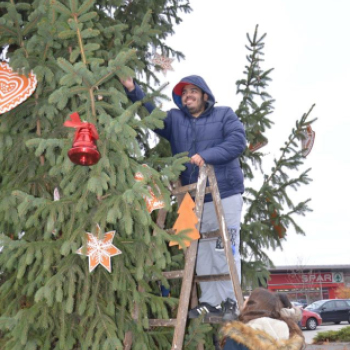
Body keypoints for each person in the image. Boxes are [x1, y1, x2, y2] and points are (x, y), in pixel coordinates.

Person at [121, 75, 246, 321]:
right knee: (199, 250)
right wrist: (133, 89)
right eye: (184, 93)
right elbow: (152, 114)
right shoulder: (175, 120)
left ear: (205, 95)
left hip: (224, 193)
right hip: (192, 197)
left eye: (193, 91)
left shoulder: (224, 115)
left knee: (225, 247)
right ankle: (210, 302)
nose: (188, 96)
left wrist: (206, 155)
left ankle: (231, 302)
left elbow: (237, 142)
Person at [220, 288, 305, 350]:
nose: (244, 301)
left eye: (248, 299)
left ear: (251, 305)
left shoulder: (239, 336)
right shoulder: (289, 333)